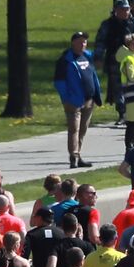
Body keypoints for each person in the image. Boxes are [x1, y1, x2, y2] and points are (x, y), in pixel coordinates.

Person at [56, 32, 102, 169]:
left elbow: (92, 74)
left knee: (82, 130)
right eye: (80, 41)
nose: (83, 44)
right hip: (73, 101)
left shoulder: (87, 56)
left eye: (85, 42)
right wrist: (67, 99)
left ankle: (78, 155)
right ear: (73, 43)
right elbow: (59, 82)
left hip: (89, 100)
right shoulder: (66, 60)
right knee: (74, 129)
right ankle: (73, 157)